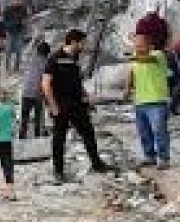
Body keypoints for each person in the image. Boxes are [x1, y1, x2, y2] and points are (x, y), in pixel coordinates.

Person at [43, 29, 113, 185]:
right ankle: (58, 171)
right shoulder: (55, 58)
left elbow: (77, 81)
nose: (84, 46)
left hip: (77, 104)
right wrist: (53, 105)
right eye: (82, 43)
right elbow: (46, 84)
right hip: (60, 104)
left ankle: (97, 164)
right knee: (59, 138)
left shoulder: (75, 58)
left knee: (88, 133)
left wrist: (86, 96)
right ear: (73, 41)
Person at [124, 34, 171, 170]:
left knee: (159, 130)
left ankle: (163, 158)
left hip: (157, 100)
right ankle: (149, 156)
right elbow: (131, 73)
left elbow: (146, 59)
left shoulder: (157, 55)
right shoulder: (135, 58)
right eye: (136, 45)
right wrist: (127, 89)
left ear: (150, 46)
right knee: (144, 132)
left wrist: (132, 56)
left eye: (140, 46)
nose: (137, 48)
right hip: (140, 101)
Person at [19, 40, 50, 139]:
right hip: (37, 93)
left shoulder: (30, 60)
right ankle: (37, 136)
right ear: (48, 53)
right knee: (38, 117)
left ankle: (22, 136)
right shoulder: (47, 63)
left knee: (24, 117)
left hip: (26, 91)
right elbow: (47, 80)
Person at [3, 0, 28, 73]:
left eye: (19, 0)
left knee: (19, 51)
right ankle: (7, 68)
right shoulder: (7, 9)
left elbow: (25, 21)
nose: (17, 2)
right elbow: (5, 23)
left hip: (19, 32)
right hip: (10, 32)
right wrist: (16, 22)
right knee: (8, 51)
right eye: (15, 0)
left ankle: (16, 68)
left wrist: (24, 28)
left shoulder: (23, 9)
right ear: (12, 0)